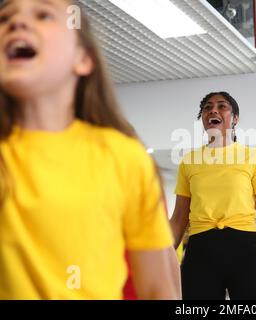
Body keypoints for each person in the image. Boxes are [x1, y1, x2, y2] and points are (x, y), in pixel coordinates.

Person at [0, 0, 179, 299]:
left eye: (43, 14)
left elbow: (157, 287)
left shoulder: (122, 156)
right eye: (4, 18)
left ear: (83, 58)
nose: (16, 23)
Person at [170, 92, 256, 300]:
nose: (213, 110)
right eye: (207, 107)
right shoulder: (189, 161)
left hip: (245, 248)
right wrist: (160, 258)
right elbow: (179, 217)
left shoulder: (254, 157)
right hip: (201, 250)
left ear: (235, 118)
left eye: (222, 106)